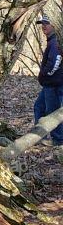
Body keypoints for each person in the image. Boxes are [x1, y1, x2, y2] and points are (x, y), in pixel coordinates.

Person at [34, 15, 63, 145]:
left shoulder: (55, 42)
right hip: (49, 84)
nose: (43, 26)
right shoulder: (52, 41)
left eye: (46, 23)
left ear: (54, 25)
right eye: (42, 23)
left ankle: (58, 140)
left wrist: (45, 74)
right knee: (39, 107)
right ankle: (39, 136)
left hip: (54, 84)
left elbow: (55, 62)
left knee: (52, 112)